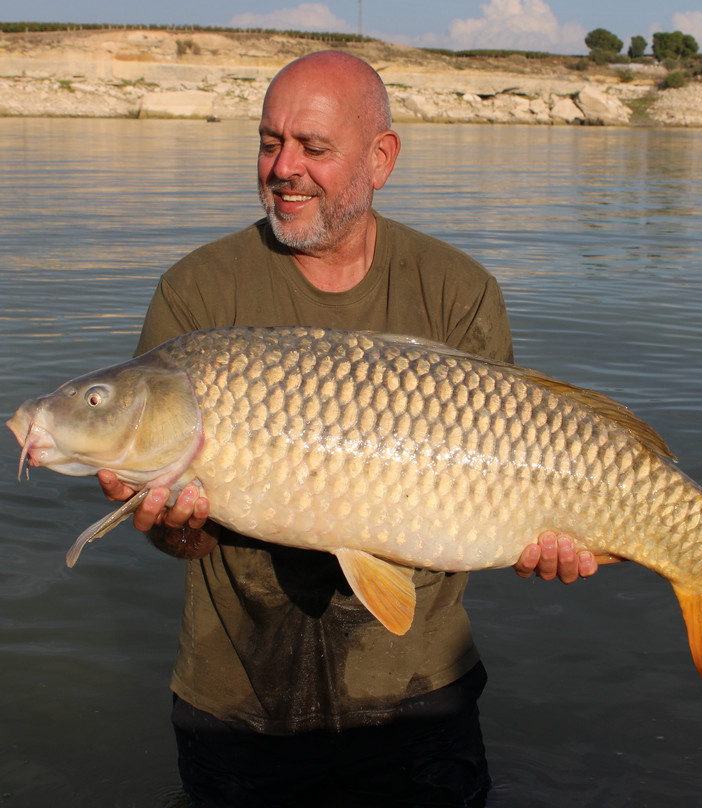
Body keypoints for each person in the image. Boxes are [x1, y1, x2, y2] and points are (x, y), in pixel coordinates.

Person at [98, 50, 598, 808]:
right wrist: (172, 527)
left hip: (421, 693)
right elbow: (178, 539)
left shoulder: (457, 291)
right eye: (269, 142)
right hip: (239, 702)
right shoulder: (197, 292)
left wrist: (555, 538)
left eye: (314, 148)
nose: (283, 168)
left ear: (381, 158)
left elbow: (507, 481)